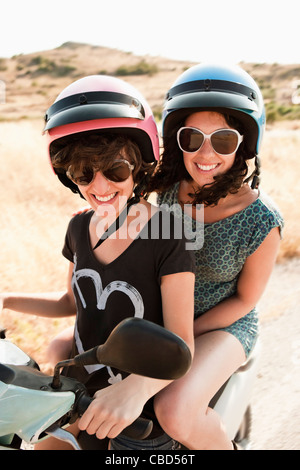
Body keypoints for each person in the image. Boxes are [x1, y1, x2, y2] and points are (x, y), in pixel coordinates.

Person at [0, 75, 195, 450]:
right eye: (83, 173)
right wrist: (6, 298)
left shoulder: (171, 232)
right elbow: (71, 302)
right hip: (77, 395)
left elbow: (181, 344)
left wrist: (137, 390)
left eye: (115, 170)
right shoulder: (77, 227)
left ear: (139, 166)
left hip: (138, 408)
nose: (100, 187)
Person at [148, 63, 284, 450]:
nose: (205, 153)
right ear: (178, 140)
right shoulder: (169, 191)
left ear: (243, 144)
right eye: (192, 138)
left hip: (224, 327)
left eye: (222, 140)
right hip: (164, 319)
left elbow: (245, 300)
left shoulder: (262, 219)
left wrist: (185, 332)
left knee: (173, 410)